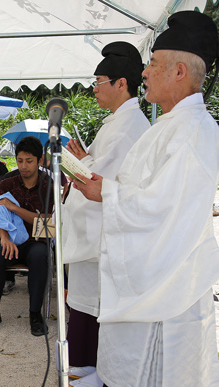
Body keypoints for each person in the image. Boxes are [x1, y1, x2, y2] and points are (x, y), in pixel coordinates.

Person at [73, 11, 219, 386]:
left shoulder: (194, 132)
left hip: (167, 289)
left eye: (153, 64)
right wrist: (107, 187)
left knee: (157, 370)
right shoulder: (170, 125)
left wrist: (105, 191)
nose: (145, 73)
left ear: (179, 72)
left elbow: (163, 211)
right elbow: (141, 189)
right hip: (149, 280)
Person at [61, 41, 150, 383]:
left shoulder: (129, 126)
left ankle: (93, 369)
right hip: (94, 234)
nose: (95, 89)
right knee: (85, 301)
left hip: (105, 236)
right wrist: (81, 159)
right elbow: (96, 166)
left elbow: (103, 180)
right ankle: (85, 364)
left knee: (96, 305)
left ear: (121, 84)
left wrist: (80, 160)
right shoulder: (116, 122)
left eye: (99, 82)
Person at [0, 137, 53, 336]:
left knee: (40, 256)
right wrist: (3, 238)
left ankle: (35, 314)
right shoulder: (7, 183)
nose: (24, 166)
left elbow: (46, 220)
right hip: (10, 240)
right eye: (20, 160)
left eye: (29, 161)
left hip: (37, 240)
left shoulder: (48, 186)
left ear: (40, 160)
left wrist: (14, 208)